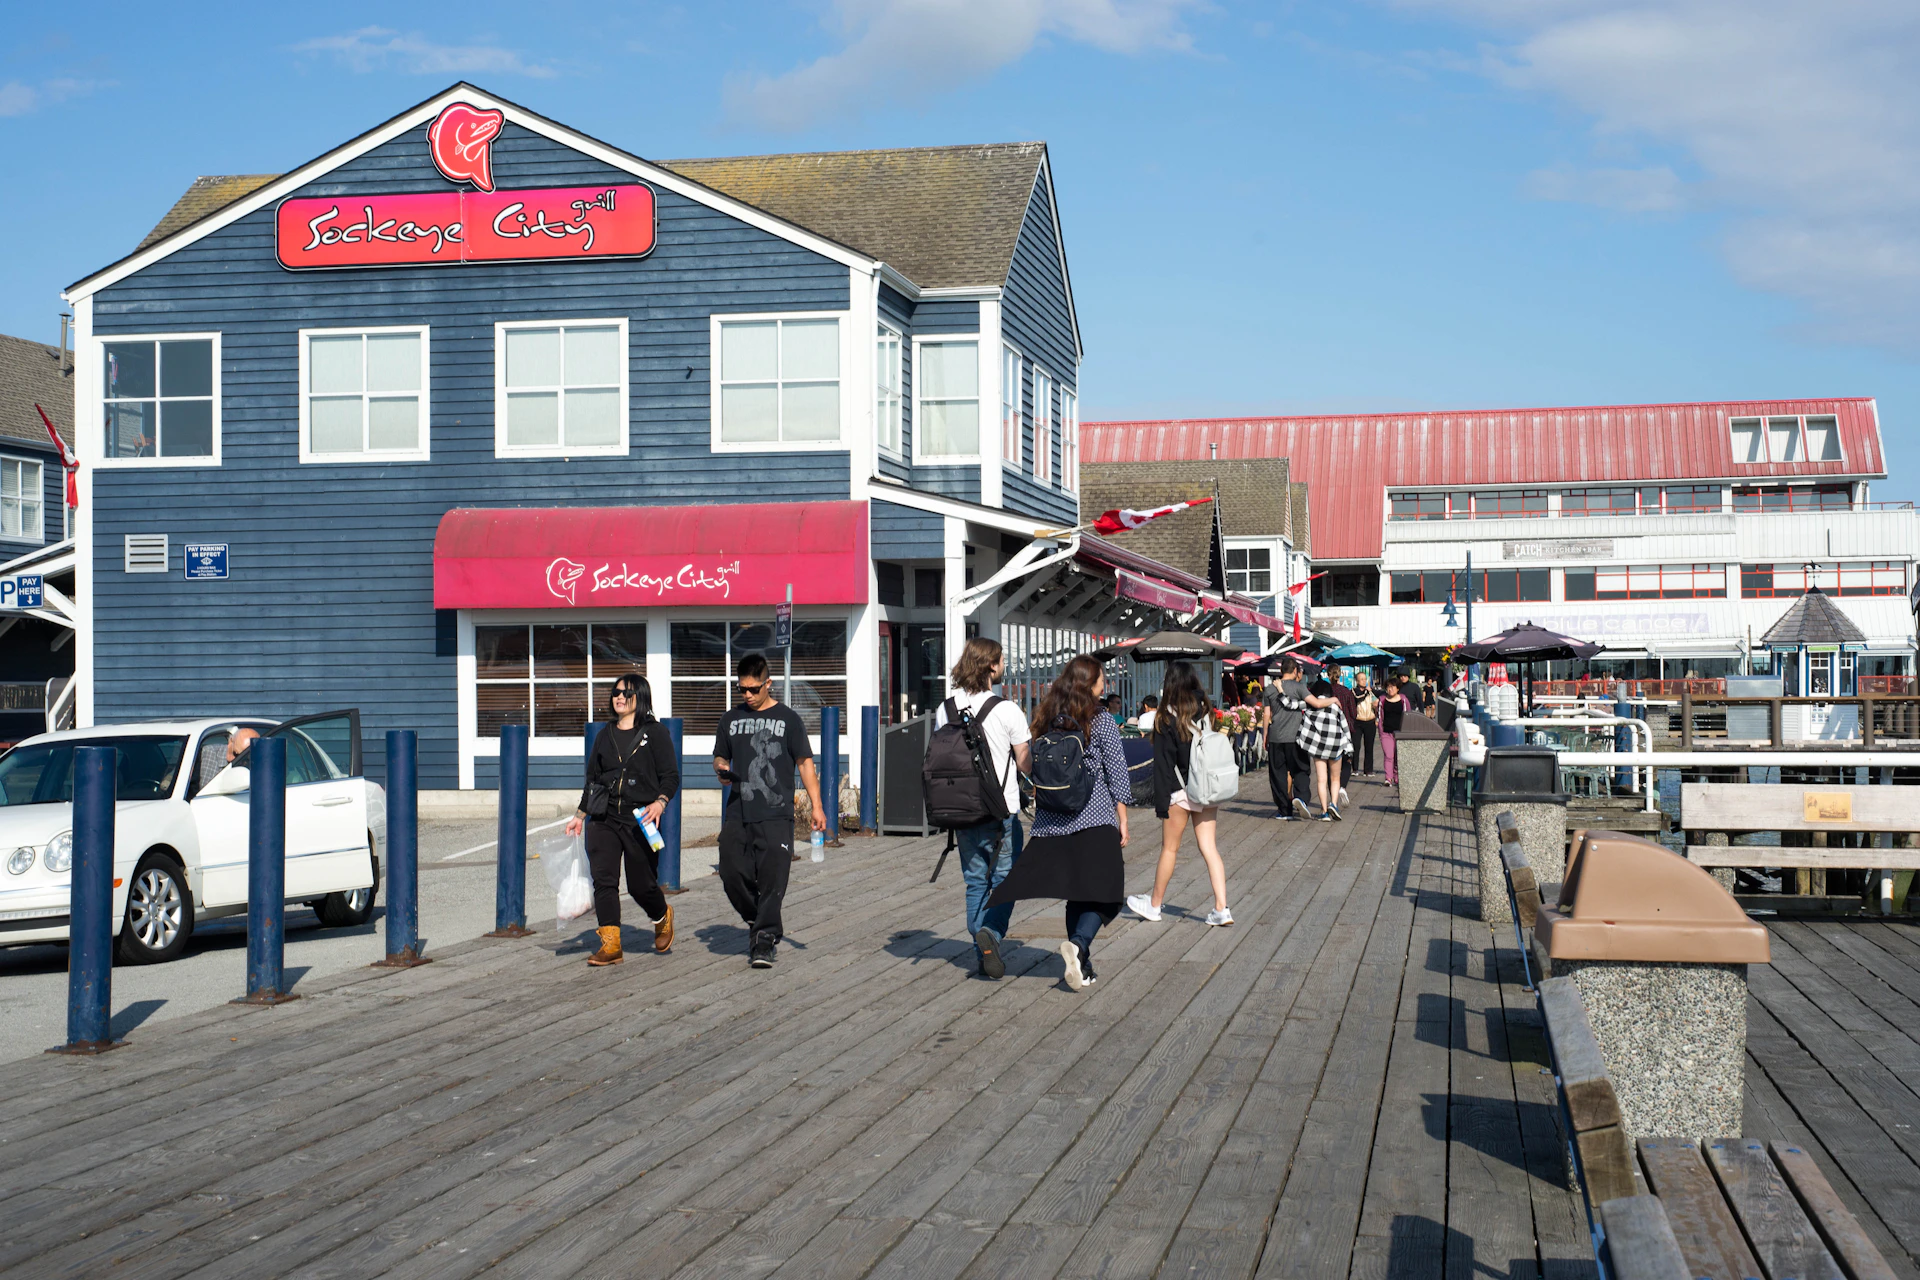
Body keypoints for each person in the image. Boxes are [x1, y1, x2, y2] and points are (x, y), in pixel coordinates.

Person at [985, 654, 1129, 991]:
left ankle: (1083, 965)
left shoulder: (1046, 717)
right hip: (1094, 817)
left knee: (1076, 892)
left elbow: (1031, 764)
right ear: (1090, 683)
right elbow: (1117, 773)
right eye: (1101, 679)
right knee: (1107, 893)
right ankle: (1078, 946)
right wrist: (1123, 819)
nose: (1104, 684)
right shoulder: (1101, 719)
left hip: (1052, 820)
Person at [714, 653, 825, 970]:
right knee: (731, 872)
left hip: (777, 813)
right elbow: (720, 757)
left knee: (773, 879)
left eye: (753, 689)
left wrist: (817, 806)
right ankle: (758, 919)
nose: (747, 695)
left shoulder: (789, 719)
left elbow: (805, 763)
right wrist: (721, 767)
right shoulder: (730, 719)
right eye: (742, 689)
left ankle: (763, 941)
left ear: (768, 683)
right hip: (739, 809)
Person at [932, 637, 1031, 980]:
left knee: (975, 882)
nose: (1004, 666)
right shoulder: (1007, 709)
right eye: (1002, 660)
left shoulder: (944, 709)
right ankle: (990, 931)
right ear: (991, 665)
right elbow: (1024, 761)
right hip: (1000, 810)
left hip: (959, 809)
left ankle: (982, 950)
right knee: (1007, 880)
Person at [566, 674, 680, 966]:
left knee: (641, 885)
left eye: (626, 693)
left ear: (640, 697)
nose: (619, 697)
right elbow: (593, 781)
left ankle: (661, 915)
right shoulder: (605, 734)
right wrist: (580, 816)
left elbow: (670, 776)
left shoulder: (655, 733)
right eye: (616, 692)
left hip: (641, 818)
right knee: (604, 880)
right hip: (604, 817)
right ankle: (611, 945)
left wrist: (660, 802)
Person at [1127, 660, 1232, 927]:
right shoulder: (1207, 711)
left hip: (1179, 791)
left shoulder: (1167, 716)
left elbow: (1163, 765)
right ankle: (1222, 908)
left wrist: (1160, 804)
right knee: (1209, 848)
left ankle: (1154, 905)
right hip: (1206, 787)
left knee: (1169, 849)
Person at [1298, 668, 1352, 819]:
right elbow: (1345, 727)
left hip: (1318, 747)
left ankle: (1323, 811)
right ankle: (1333, 805)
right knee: (1335, 778)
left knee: (1321, 779)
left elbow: (1293, 708)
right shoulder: (1335, 706)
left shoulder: (1310, 706)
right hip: (1335, 746)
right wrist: (1349, 747)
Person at [1263, 659, 1313, 819]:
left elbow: (1266, 714)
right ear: (1295, 671)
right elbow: (1313, 704)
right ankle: (1301, 798)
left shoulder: (1270, 688)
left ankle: (1284, 810)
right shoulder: (1300, 687)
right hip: (1296, 737)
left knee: (1278, 774)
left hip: (1276, 736)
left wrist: (1265, 735)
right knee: (1301, 769)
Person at [1322, 661, 1359, 807]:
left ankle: (1333, 797)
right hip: (1346, 730)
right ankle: (1342, 786)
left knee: (1330, 764)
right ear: (1339, 675)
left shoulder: (1325, 692)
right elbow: (1353, 713)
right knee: (1347, 761)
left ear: (1327, 674)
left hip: (1327, 731)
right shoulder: (1346, 691)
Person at [1380, 673, 1411, 785]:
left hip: (1400, 732)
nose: (1390, 689)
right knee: (1389, 755)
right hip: (1386, 732)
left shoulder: (1403, 700)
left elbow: (1408, 714)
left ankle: (1397, 777)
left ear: (1398, 689)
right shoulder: (1382, 700)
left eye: (1392, 687)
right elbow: (1379, 716)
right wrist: (1380, 729)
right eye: (1388, 687)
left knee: (1398, 756)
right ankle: (1388, 778)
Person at [1352, 672, 1379, 776]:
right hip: (1358, 721)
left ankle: (1368, 770)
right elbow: (1358, 698)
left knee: (1369, 746)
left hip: (1370, 721)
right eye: (1361, 679)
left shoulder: (1371, 692)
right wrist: (1367, 692)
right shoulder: (1354, 691)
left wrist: (1375, 702)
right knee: (1356, 745)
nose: (1364, 681)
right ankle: (1355, 769)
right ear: (1357, 681)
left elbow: (1377, 702)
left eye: (1365, 679)